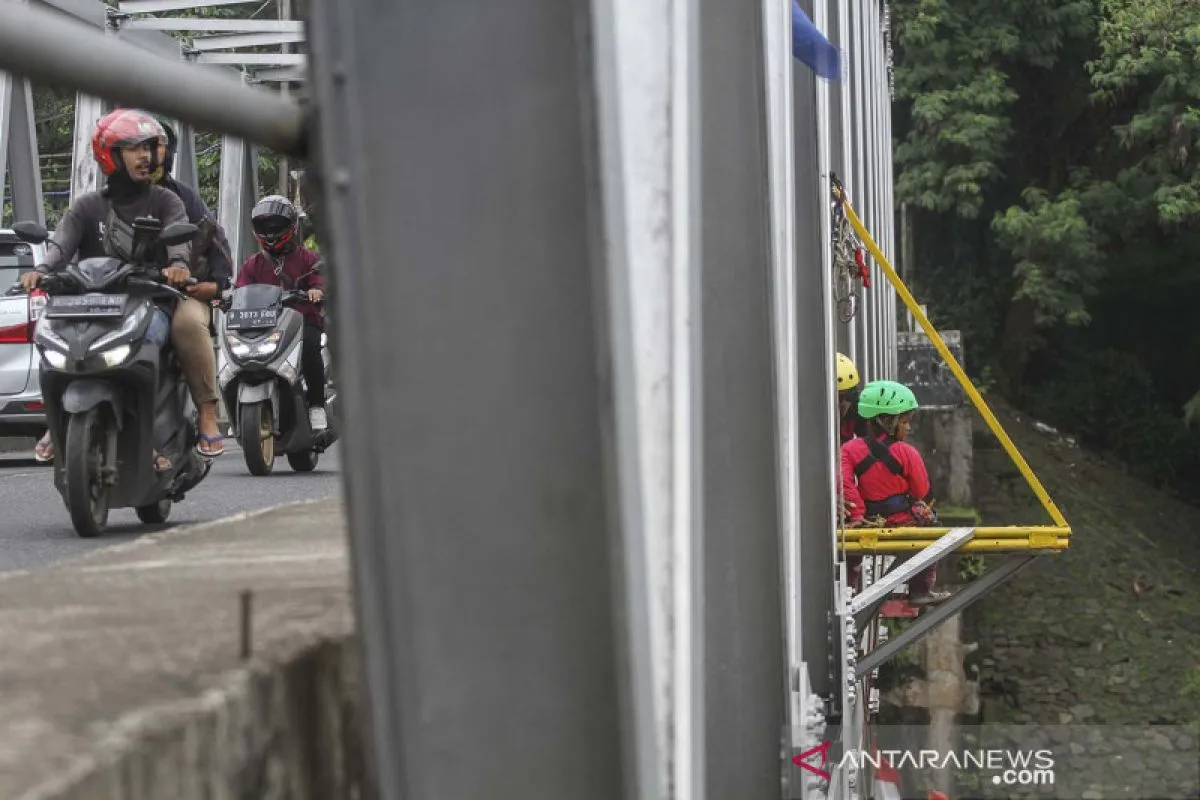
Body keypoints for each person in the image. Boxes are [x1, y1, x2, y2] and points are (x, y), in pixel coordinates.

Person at [22, 108, 225, 464]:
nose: (145, 156)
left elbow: (180, 240)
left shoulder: (167, 200)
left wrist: (178, 266)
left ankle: (200, 414)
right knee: (50, 341)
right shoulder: (87, 206)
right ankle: (56, 422)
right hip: (92, 305)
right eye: (134, 148)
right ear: (110, 155)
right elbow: (61, 245)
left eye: (148, 147)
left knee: (171, 334)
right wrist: (41, 270)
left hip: (150, 301)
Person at [841, 380, 950, 607]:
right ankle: (920, 590)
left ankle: (849, 589)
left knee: (849, 547)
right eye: (905, 421)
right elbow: (920, 490)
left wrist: (858, 513)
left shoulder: (849, 449)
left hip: (867, 522)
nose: (908, 428)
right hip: (904, 522)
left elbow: (844, 483)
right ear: (887, 421)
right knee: (931, 528)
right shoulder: (907, 453)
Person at [234, 194, 328, 431]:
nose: (270, 232)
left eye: (275, 226)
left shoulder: (308, 258)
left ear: (290, 227)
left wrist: (316, 290)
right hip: (263, 325)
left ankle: (317, 405)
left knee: (311, 348)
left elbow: (319, 281)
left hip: (302, 322)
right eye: (264, 227)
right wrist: (226, 298)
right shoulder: (253, 264)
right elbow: (240, 290)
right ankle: (239, 405)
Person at [837, 352, 867, 444]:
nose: (843, 403)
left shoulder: (855, 408)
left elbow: (867, 441)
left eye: (848, 397)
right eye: (839, 397)